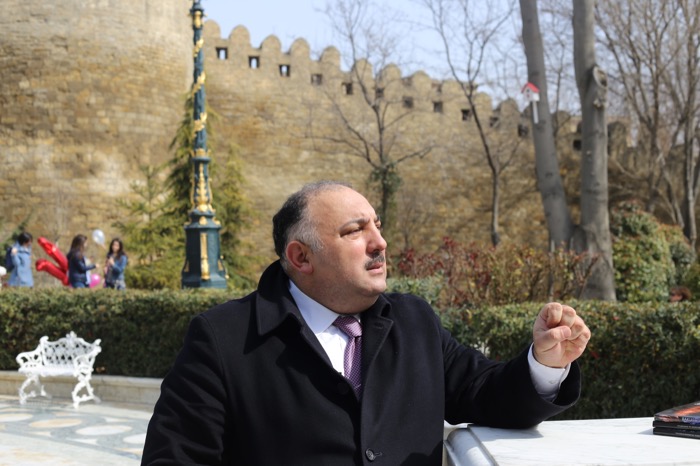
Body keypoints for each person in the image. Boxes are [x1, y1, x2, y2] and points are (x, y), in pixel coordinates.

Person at [142, 181, 591, 465]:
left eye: (376, 225)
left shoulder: (414, 321)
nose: (380, 242)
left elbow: (486, 393)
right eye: (355, 231)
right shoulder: (224, 339)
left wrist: (545, 363)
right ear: (301, 257)